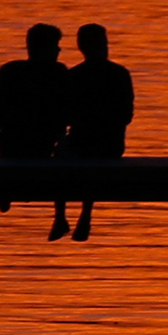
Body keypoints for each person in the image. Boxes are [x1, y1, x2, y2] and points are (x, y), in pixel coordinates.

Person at [0, 23, 72, 230]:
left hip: (11, 144)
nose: (59, 50)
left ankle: (7, 190)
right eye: (55, 45)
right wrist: (63, 145)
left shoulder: (10, 70)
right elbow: (60, 116)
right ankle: (60, 217)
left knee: (26, 150)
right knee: (60, 163)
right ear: (44, 47)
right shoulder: (57, 72)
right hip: (42, 145)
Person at [59, 22, 134, 242]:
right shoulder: (120, 73)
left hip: (80, 142)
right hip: (112, 144)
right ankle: (86, 215)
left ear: (81, 47)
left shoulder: (74, 75)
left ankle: (61, 216)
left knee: (61, 158)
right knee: (90, 159)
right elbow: (127, 115)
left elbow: (65, 116)